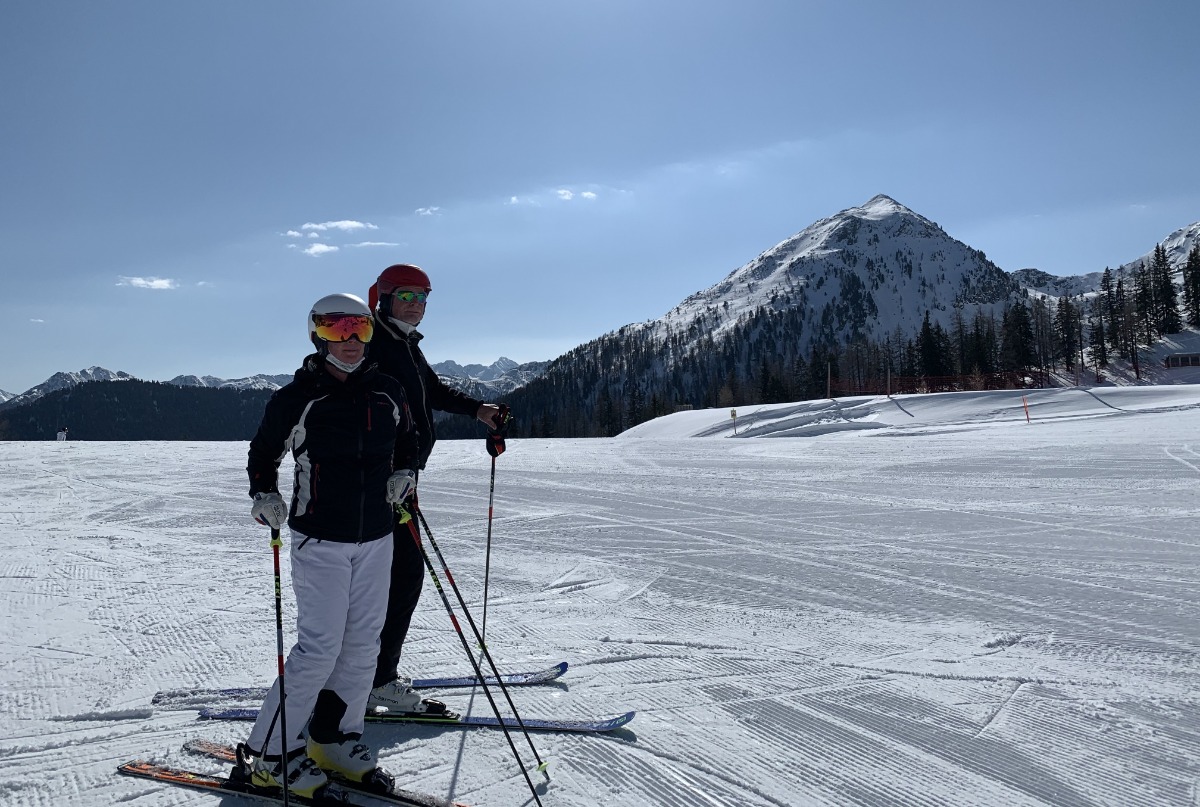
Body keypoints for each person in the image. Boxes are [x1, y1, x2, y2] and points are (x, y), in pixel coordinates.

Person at [235, 293, 420, 798]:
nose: (351, 340)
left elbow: (408, 440)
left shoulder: (387, 390)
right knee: (319, 650)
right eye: (338, 330)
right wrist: (264, 494)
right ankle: (269, 755)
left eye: (360, 329)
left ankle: (334, 738)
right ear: (317, 335)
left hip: (377, 535)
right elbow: (262, 454)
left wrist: (405, 471)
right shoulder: (298, 397)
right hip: (319, 538)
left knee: (363, 646)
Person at [358, 263, 504, 714]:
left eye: (422, 297)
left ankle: (364, 673)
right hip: (381, 482)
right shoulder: (375, 344)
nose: (416, 304)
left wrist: (477, 409)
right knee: (401, 576)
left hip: (401, 479)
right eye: (406, 295)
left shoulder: (405, 344)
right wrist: (389, 467)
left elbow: (432, 392)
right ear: (384, 298)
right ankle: (376, 680)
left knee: (391, 576)